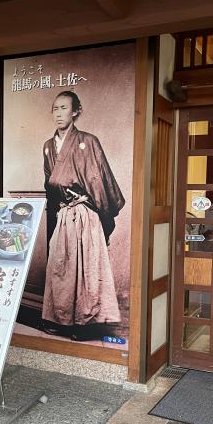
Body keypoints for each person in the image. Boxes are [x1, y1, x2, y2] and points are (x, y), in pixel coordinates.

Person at [41, 90, 125, 341]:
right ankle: (60, 319)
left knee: (87, 269)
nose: (59, 113)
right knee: (61, 267)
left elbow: (101, 180)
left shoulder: (88, 141)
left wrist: (100, 213)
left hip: (86, 213)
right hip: (63, 213)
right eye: (55, 108)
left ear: (76, 111)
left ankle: (85, 324)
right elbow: (49, 183)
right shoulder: (48, 147)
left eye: (64, 108)